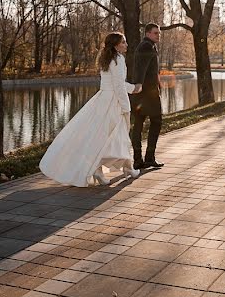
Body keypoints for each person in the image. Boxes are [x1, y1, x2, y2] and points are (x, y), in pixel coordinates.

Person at [39, 33, 142, 187]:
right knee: (118, 135)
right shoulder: (118, 59)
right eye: (123, 42)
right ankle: (126, 168)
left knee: (101, 136)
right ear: (116, 45)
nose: (126, 45)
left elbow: (114, 83)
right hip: (113, 102)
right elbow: (119, 85)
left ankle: (103, 170)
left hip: (102, 99)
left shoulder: (106, 58)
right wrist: (127, 103)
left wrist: (132, 88)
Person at [130, 23, 165, 169]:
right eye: (156, 33)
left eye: (159, 33)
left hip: (145, 92)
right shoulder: (146, 46)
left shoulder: (148, 45)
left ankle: (140, 159)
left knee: (139, 124)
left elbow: (151, 69)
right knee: (155, 122)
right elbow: (140, 69)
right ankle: (146, 158)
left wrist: (158, 82)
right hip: (147, 94)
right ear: (148, 33)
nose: (158, 35)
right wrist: (138, 85)